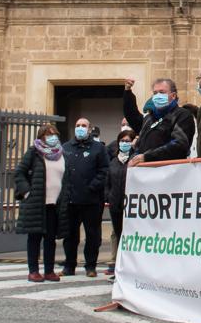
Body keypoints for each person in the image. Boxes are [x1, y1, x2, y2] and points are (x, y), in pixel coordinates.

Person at [15, 124, 69, 282]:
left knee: (50, 239)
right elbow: (20, 172)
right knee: (34, 238)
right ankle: (33, 271)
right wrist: (27, 192)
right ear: (41, 137)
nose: (52, 137)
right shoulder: (34, 152)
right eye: (48, 134)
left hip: (55, 203)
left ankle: (49, 270)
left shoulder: (61, 154)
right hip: (37, 202)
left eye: (54, 134)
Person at [60, 116, 109, 278]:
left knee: (92, 235)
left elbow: (104, 170)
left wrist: (92, 186)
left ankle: (90, 266)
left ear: (89, 129)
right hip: (71, 200)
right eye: (77, 125)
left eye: (83, 125)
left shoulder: (98, 148)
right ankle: (69, 265)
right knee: (70, 235)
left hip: (92, 200)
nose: (80, 128)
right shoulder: (66, 147)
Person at [105, 127, 136, 277]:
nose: (125, 143)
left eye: (128, 141)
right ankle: (119, 269)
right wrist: (109, 196)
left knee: (129, 237)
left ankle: (130, 269)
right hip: (115, 205)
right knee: (118, 235)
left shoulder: (135, 160)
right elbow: (108, 181)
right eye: (122, 141)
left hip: (130, 206)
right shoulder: (113, 161)